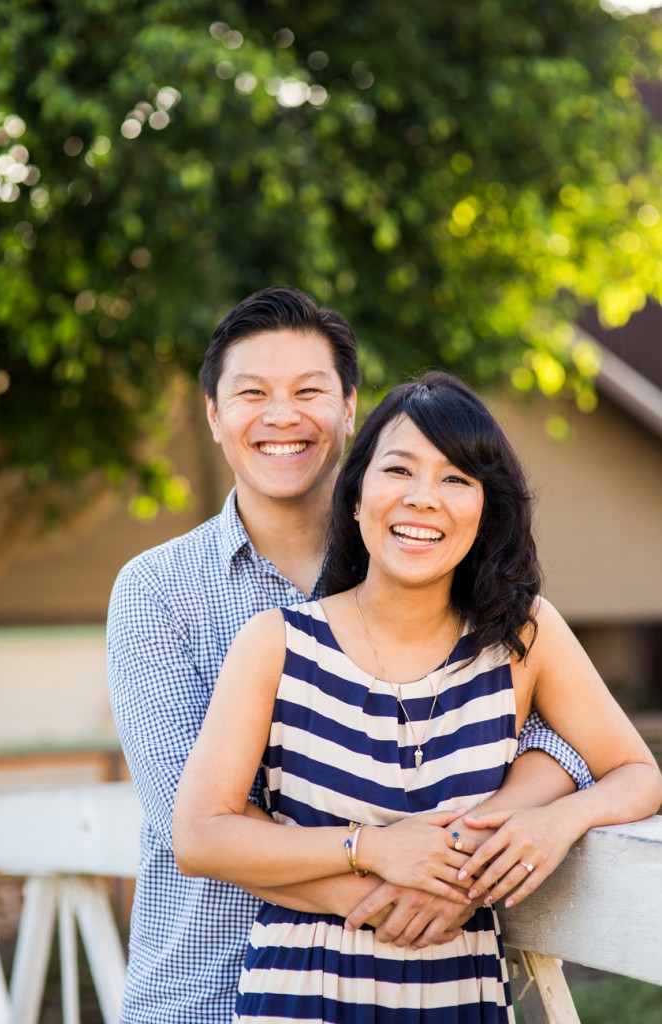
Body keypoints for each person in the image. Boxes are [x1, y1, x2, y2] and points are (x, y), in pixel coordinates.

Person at [108, 289, 592, 1024]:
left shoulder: (420, 555)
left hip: (415, 995)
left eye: (309, 391)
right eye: (251, 394)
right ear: (213, 415)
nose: (280, 416)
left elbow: (545, 722)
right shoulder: (156, 591)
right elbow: (201, 821)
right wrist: (400, 892)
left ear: (348, 410)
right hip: (202, 991)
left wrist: (480, 840)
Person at [172, 370, 662, 1023]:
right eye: (399, 470)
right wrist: (371, 849)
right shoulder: (276, 643)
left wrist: (554, 822)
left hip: (460, 999)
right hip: (302, 997)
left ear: (486, 508)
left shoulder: (523, 636)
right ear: (356, 495)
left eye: (456, 479)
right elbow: (200, 835)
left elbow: (635, 774)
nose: (423, 498)